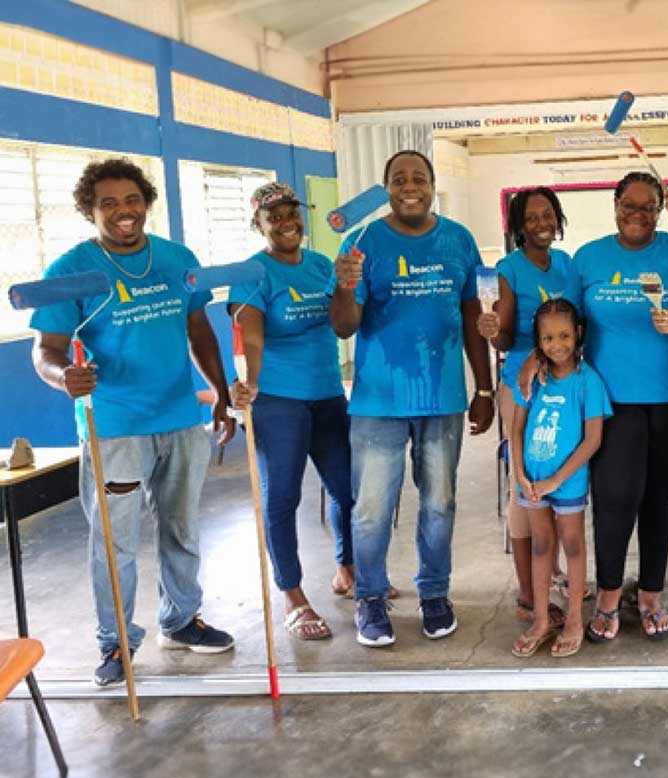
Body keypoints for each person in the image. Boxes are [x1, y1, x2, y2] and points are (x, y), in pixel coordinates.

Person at [30, 158, 236, 687]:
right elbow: (47, 350)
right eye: (109, 204)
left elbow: (200, 330)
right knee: (114, 539)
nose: (124, 212)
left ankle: (181, 619)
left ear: (146, 202)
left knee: (182, 527)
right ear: (90, 210)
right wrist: (63, 377)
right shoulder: (70, 271)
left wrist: (219, 394)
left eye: (132, 200)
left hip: (179, 417)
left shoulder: (175, 259)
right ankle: (116, 642)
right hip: (115, 426)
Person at [330, 150, 494, 647]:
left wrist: (483, 388)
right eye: (398, 179)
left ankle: (435, 593)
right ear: (385, 188)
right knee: (372, 508)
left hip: (442, 397)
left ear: (431, 184)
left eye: (418, 177)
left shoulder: (459, 240)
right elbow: (344, 325)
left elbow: (474, 316)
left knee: (440, 503)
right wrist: (344, 286)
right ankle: (371, 598)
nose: (409, 186)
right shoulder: (360, 241)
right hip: (378, 401)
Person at [566, 172, 668, 643]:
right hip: (611, 401)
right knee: (613, 499)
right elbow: (567, 326)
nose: (637, 215)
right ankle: (607, 594)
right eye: (629, 205)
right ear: (615, 203)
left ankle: (650, 594)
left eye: (648, 207)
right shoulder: (588, 258)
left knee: (660, 500)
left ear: (661, 210)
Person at [227, 182, 354, 641]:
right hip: (277, 400)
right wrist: (251, 380)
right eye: (273, 216)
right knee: (283, 497)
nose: (285, 222)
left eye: (291, 213)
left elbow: (342, 325)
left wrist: (344, 285)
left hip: (326, 394)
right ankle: (293, 596)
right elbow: (252, 335)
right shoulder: (252, 274)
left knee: (347, 488)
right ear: (258, 224)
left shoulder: (321, 265)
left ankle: (348, 568)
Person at [478, 187, 579, 630]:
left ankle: (551, 572)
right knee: (526, 487)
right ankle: (526, 592)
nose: (541, 223)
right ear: (518, 225)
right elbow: (503, 340)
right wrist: (493, 329)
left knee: (558, 481)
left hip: (564, 384)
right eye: (531, 217)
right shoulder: (508, 270)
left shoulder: (568, 264)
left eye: (548, 215)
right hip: (523, 385)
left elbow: (576, 323)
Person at [510, 300, 611, 658]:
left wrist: (555, 481)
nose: (557, 344)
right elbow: (517, 428)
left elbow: (593, 440)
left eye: (565, 335)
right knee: (541, 545)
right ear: (538, 340)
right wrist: (520, 474)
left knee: (572, 545)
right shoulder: (534, 379)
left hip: (566, 484)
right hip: (532, 483)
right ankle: (540, 619)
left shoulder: (588, 382)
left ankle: (572, 620)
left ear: (578, 334)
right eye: (548, 337)